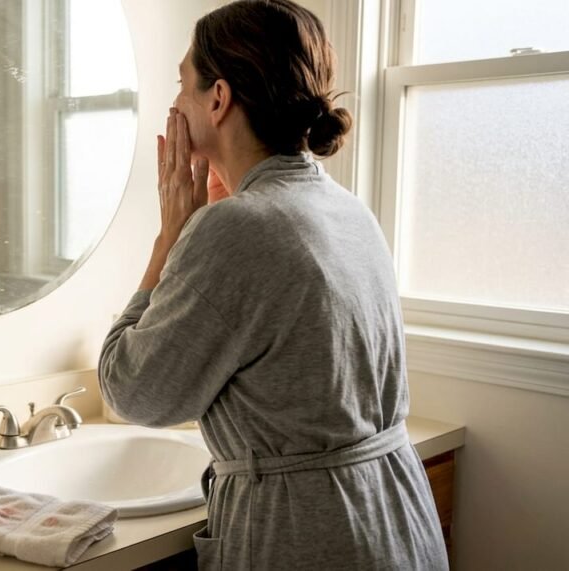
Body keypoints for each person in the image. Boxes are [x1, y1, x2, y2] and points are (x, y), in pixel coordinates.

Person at [98, 1, 448, 569]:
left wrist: (170, 237)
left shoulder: (237, 226)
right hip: (398, 518)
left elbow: (132, 391)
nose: (174, 105)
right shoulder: (345, 208)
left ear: (219, 98)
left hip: (312, 537)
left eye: (182, 84)